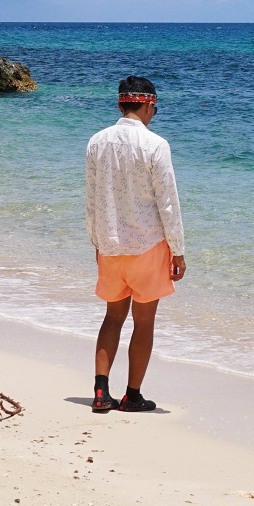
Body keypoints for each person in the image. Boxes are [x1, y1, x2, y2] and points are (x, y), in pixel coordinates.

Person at [85, 76, 187, 413]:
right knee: (143, 322)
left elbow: (92, 200)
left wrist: (96, 242)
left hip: (110, 246)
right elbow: (168, 203)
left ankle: (100, 393)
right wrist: (178, 250)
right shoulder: (156, 145)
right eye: (154, 107)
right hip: (148, 246)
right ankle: (132, 395)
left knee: (112, 318)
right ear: (148, 104)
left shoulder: (96, 142)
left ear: (119, 105)